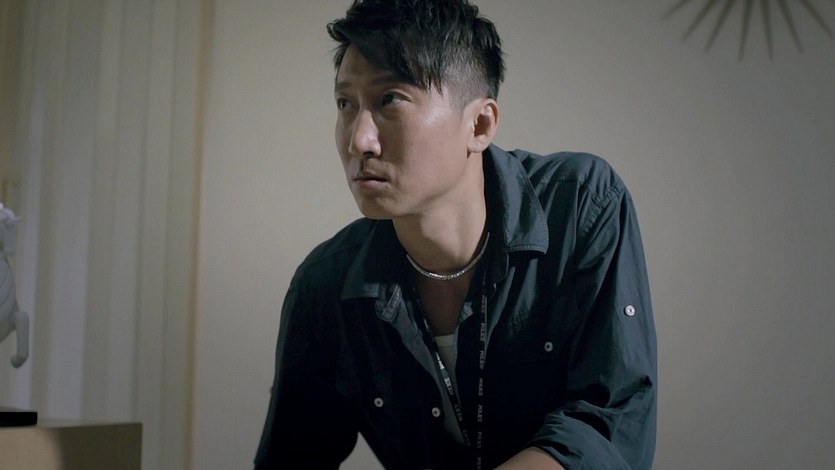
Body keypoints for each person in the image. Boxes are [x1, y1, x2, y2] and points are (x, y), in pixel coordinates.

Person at [255, 0, 657, 468]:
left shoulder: (580, 205)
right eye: (346, 104)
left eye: (390, 100)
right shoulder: (326, 285)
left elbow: (609, 422)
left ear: (479, 125)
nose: (358, 140)